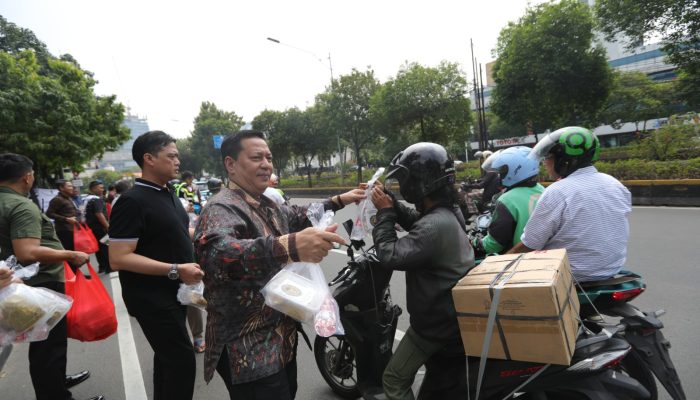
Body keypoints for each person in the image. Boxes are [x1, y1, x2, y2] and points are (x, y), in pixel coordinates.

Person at [193, 130, 366, 400]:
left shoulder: (266, 203)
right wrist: (290, 246)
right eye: (256, 157)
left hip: (281, 340)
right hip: (248, 351)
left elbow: (299, 216)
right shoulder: (221, 208)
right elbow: (218, 256)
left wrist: (340, 200)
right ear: (231, 164)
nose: (266, 164)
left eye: (269, 158)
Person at [369, 142, 474, 400]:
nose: (403, 185)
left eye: (404, 180)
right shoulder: (448, 211)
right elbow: (417, 222)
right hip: (451, 315)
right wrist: (392, 203)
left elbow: (389, 255)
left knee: (393, 380)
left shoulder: (433, 226)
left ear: (419, 182)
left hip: (435, 325)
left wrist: (385, 214)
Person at [108, 131, 204, 400]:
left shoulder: (169, 193)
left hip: (176, 294)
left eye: (177, 156)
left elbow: (176, 233)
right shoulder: (131, 201)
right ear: (149, 159)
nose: (177, 161)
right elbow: (119, 257)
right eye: (171, 156)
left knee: (167, 360)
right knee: (181, 362)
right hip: (152, 298)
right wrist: (176, 269)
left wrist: (203, 238)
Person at [0, 153, 102, 400]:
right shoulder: (21, 205)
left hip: (21, 283)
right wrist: (70, 254)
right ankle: (55, 393)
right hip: (41, 282)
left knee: (45, 344)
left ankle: (57, 380)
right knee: (48, 345)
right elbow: (27, 251)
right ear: (27, 177)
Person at [508, 127, 632, 282]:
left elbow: (531, 243)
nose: (544, 163)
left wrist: (504, 261)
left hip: (568, 275)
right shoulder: (615, 184)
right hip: (611, 270)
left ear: (564, 160)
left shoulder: (557, 191)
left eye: (548, 157)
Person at [471, 146, 544, 256]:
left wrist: (476, 242)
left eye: (502, 172)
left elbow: (494, 244)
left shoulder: (507, 200)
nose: (499, 176)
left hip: (519, 258)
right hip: (545, 253)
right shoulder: (542, 190)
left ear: (516, 171)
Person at [46, 180, 79, 264]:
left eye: (72, 186)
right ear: (61, 188)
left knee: (75, 253)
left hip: (73, 229)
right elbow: (49, 214)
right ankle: (72, 272)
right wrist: (66, 219)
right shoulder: (57, 199)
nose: (72, 188)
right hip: (64, 230)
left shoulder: (69, 198)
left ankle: (75, 271)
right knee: (70, 253)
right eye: (69, 186)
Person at [85, 180, 110, 273]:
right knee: (105, 246)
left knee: (98, 248)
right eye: (100, 188)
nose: (102, 189)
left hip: (91, 227)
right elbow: (99, 214)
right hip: (100, 227)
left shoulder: (86, 199)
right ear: (93, 189)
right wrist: (107, 226)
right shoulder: (96, 199)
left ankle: (102, 266)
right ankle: (109, 267)